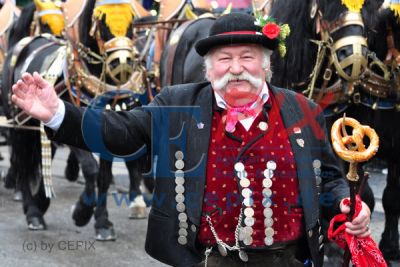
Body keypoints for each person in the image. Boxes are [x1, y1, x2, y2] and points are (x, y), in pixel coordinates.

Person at [12, 12, 371, 267]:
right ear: (208, 67)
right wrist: (57, 112)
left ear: (266, 66)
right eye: (224, 59)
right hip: (205, 261)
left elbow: (328, 177)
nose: (235, 68)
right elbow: (121, 132)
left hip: (289, 260)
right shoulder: (178, 103)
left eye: (247, 57)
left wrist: (345, 204)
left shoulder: (302, 110)